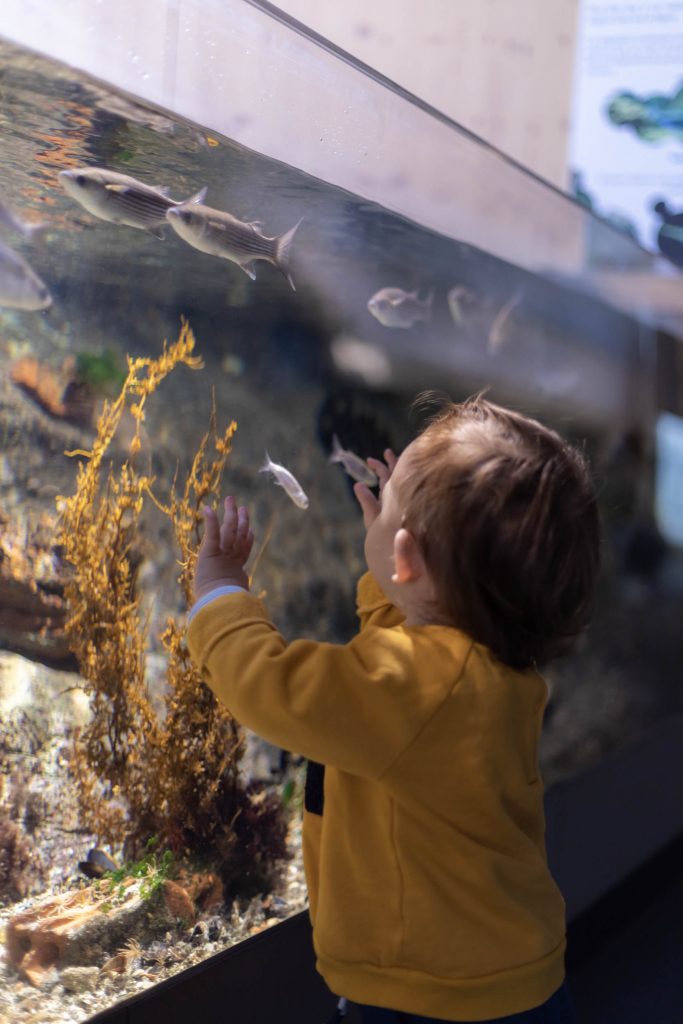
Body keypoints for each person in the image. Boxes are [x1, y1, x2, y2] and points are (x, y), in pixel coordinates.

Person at [186, 396, 600, 1023]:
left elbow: (277, 690)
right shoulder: (489, 666)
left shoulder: (416, 685)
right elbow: (411, 641)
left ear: (407, 561)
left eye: (390, 504)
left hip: (430, 995)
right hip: (512, 973)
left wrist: (220, 595)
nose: (374, 505)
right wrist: (396, 566)